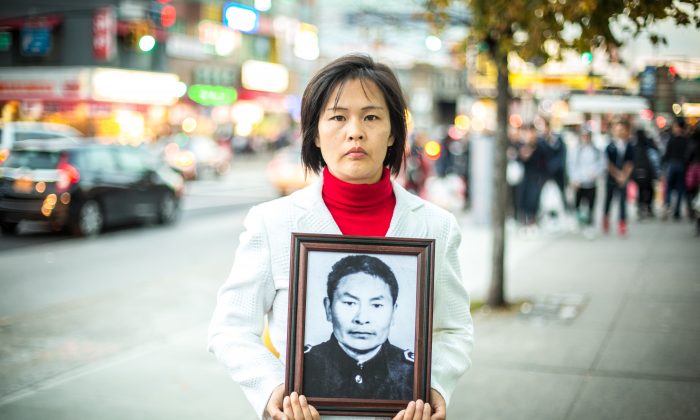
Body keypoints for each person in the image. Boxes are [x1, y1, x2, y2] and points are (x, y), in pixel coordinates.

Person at [208, 54, 474, 420]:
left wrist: (435, 386)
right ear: (314, 133)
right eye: (337, 117)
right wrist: (272, 387)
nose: (355, 131)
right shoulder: (272, 223)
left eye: (371, 116)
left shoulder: (435, 226)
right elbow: (230, 328)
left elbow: (453, 327)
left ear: (394, 131)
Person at [303, 254, 413, 400]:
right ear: (328, 308)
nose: (362, 319)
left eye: (376, 305)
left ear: (393, 312)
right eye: (349, 303)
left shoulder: (412, 373)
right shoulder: (305, 365)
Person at [568, 127, 604, 233]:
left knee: (591, 204)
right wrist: (574, 179)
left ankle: (590, 224)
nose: (585, 138)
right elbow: (571, 165)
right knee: (578, 203)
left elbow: (601, 164)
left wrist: (596, 173)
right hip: (579, 182)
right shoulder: (576, 150)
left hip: (591, 182)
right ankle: (578, 222)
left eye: (587, 136)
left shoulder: (596, 150)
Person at [603, 119, 635, 236]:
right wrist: (617, 175)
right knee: (608, 200)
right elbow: (608, 163)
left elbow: (630, 162)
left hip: (623, 178)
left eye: (621, 129)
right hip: (612, 177)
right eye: (617, 129)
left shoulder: (629, 145)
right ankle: (605, 218)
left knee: (622, 202)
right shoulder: (610, 146)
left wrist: (624, 176)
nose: (619, 131)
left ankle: (622, 223)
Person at [662, 119, 689, 220]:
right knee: (680, 189)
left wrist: (663, 165)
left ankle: (668, 205)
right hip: (681, 165)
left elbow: (667, 153)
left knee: (669, 187)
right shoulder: (686, 140)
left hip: (673, 164)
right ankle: (676, 211)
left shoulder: (672, 139)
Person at [632, 129, 660, 219]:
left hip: (638, 173)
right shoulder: (649, 145)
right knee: (650, 190)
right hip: (648, 173)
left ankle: (641, 207)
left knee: (640, 190)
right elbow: (655, 158)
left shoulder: (634, 146)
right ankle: (648, 207)